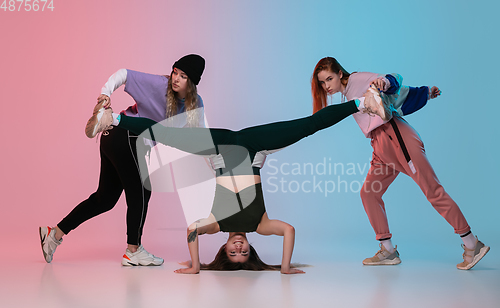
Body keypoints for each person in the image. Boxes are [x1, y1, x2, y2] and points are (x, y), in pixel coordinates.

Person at [86, 86, 387, 274]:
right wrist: (283, 268)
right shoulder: (261, 225)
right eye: (244, 253)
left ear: (224, 249)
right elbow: (289, 230)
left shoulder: (217, 224)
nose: (239, 248)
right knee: (308, 125)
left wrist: (196, 266)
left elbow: (192, 230)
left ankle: (112, 120)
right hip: (254, 145)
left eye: (233, 253)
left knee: (169, 135)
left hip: (223, 147)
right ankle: (364, 102)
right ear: (251, 251)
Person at [311, 57, 489, 270]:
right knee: (369, 193)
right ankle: (388, 250)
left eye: (329, 78)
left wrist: (385, 83)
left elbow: (392, 80)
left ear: (340, 73)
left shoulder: (357, 80)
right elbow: (392, 99)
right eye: (322, 82)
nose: (326, 86)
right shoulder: (347, 93)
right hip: (380, 146)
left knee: (432, 190)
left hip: (397, 139)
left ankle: (472, 243)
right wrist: (425, 94)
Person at [39, 54, 206, 266]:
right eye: (175, 72)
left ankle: (53, 235)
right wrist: (105, 94)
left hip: (113, 139)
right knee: (142, 191)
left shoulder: (195, 105)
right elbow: (124, 74)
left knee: (104, 199)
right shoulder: (160, 85)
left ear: (192, 83)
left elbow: (199, 136)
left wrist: (208, 159)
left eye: (183, 76)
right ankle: (133, 250)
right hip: (125, 134)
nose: (175, 79)